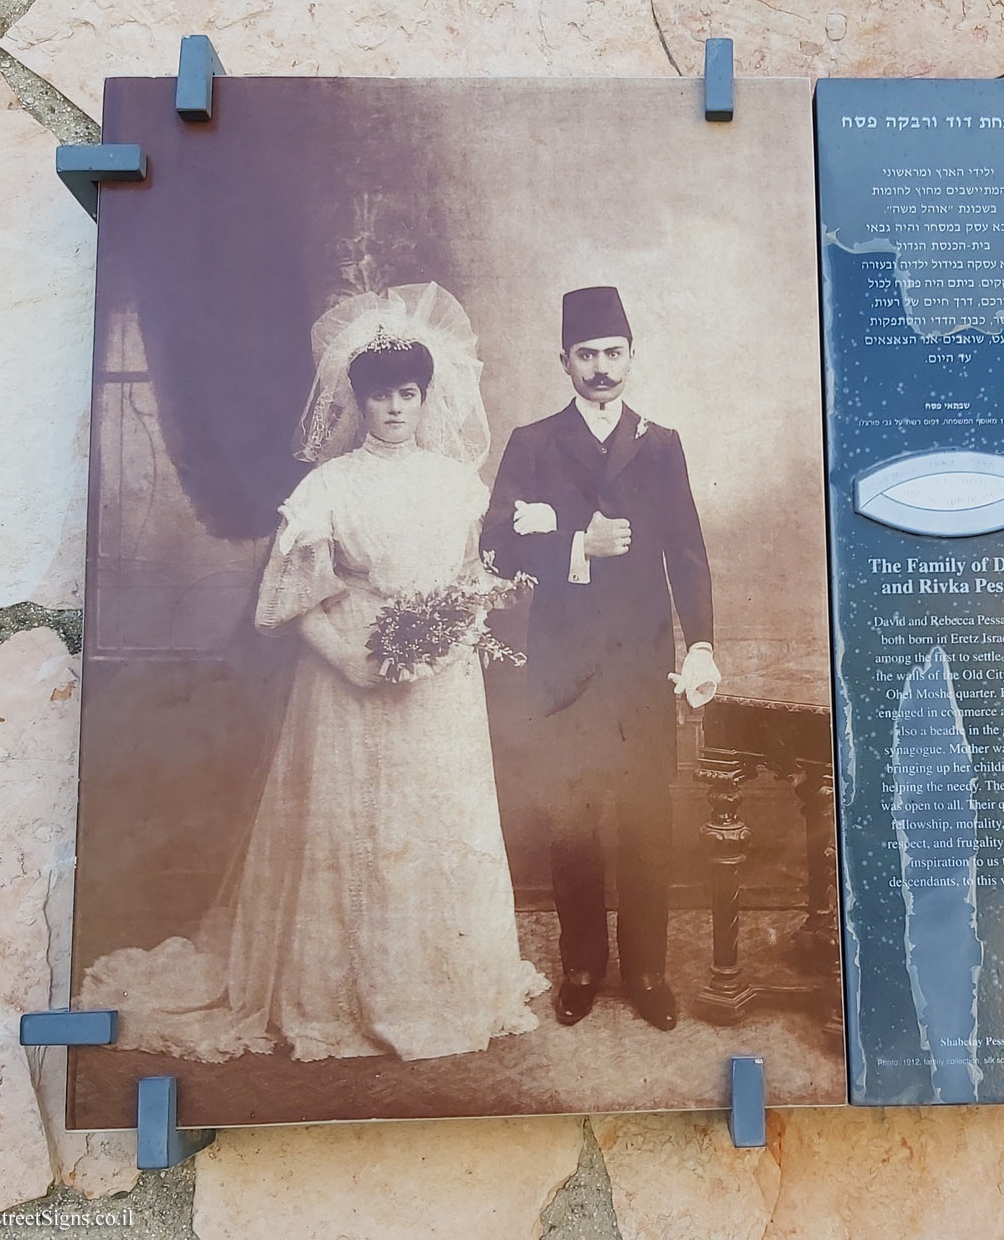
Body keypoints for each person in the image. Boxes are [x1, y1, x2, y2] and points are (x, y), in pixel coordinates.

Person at [81, 283, 547, 1062]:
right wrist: (355, 659)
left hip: (440, 685)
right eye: (379, 397)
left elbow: (478, 580)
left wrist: (443, 639)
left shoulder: (457, 485)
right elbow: (290, 603)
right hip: (348, 680)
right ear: (355, 403)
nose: (395, 409)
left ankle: (443, 987)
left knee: (436, 827)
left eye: (407, 393)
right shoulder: (328, 486)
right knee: (354, 831)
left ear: (425, 397)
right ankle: (346, 996)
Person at [481, 286, 720, 1032]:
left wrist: (703, 643)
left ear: (631, 358)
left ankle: (647, 969)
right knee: (573, 819)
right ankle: (582, 966)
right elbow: (495, 547)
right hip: (566, 669)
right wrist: (576, 544)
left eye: (613, 353)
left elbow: (687, 551)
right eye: (586, 355)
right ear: (564, 362)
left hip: (644, 665)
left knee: (649, 818)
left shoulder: (661, 443)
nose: (601, 368)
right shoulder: (532, 442)